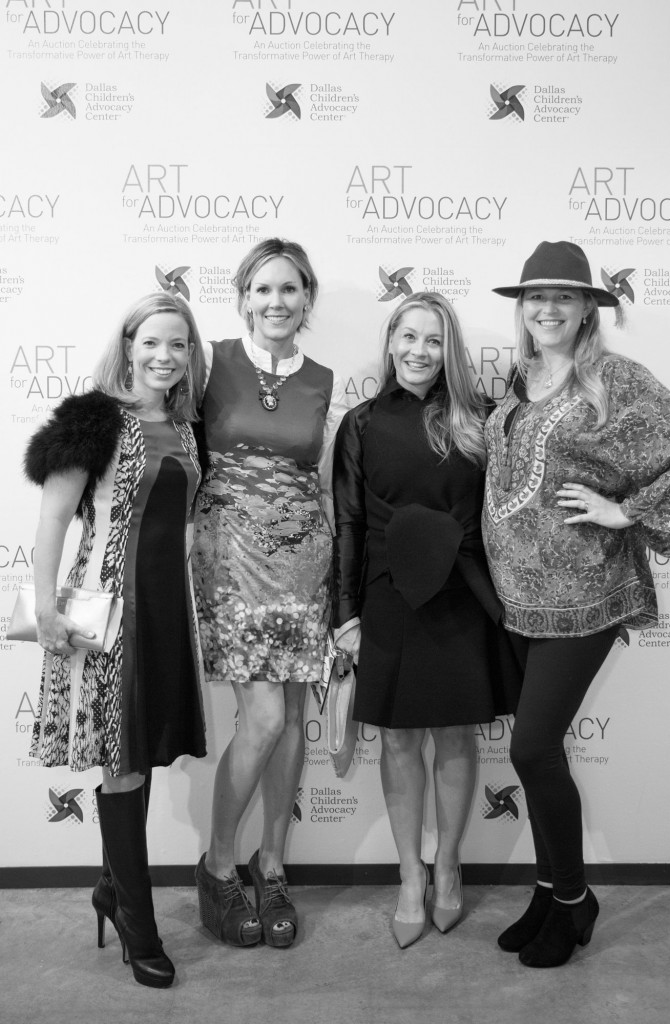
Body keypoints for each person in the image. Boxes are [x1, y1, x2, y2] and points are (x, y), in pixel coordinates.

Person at [484, 240, 670, 968]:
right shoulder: (518, 378)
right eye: (535, 296)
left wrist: (627, 511)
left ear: (588, 308)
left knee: (531, 748)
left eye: (563, 296)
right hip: (517, 598)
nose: (546, 308)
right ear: (522, 308)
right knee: (535, 756)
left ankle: (575, 901)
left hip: (585, 592)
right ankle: (547, 891)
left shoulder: (612, 378)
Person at [24, 292, 209, 988]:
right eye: (151, 342)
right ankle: (137, 920)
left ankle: (110, 887)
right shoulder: (94, 419)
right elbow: (53, 517)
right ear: (128, 346)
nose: (165, 355)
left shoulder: (186, 426)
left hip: (166, 610)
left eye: (178, 344)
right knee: (123, 761)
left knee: (142, 752)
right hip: (107, 614)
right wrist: (46, 607)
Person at [332, 291, 523, 949]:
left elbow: (509, 513)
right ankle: (409, 873)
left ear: (450, 350)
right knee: (396, 739)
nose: (418, 351)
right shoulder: (359, 423)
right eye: (407, 336)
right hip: (387, 595)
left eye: (433, 340)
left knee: (455, 735)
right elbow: (348, 523)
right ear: (390, 341)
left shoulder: (480, 418)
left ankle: (448, 865)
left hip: (461, 592)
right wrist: (345, 616)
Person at [192, 238, 348, 949]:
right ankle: (219, 867)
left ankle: (273, 864)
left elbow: (323, 484)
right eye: (262, 289)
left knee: (288, 720)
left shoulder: (322, 379)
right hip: (230, 560)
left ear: (307, 297)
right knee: (261, 720)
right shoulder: (209, 363)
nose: (276, 302)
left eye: (289, 289)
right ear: (243, 297)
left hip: (302, 563)